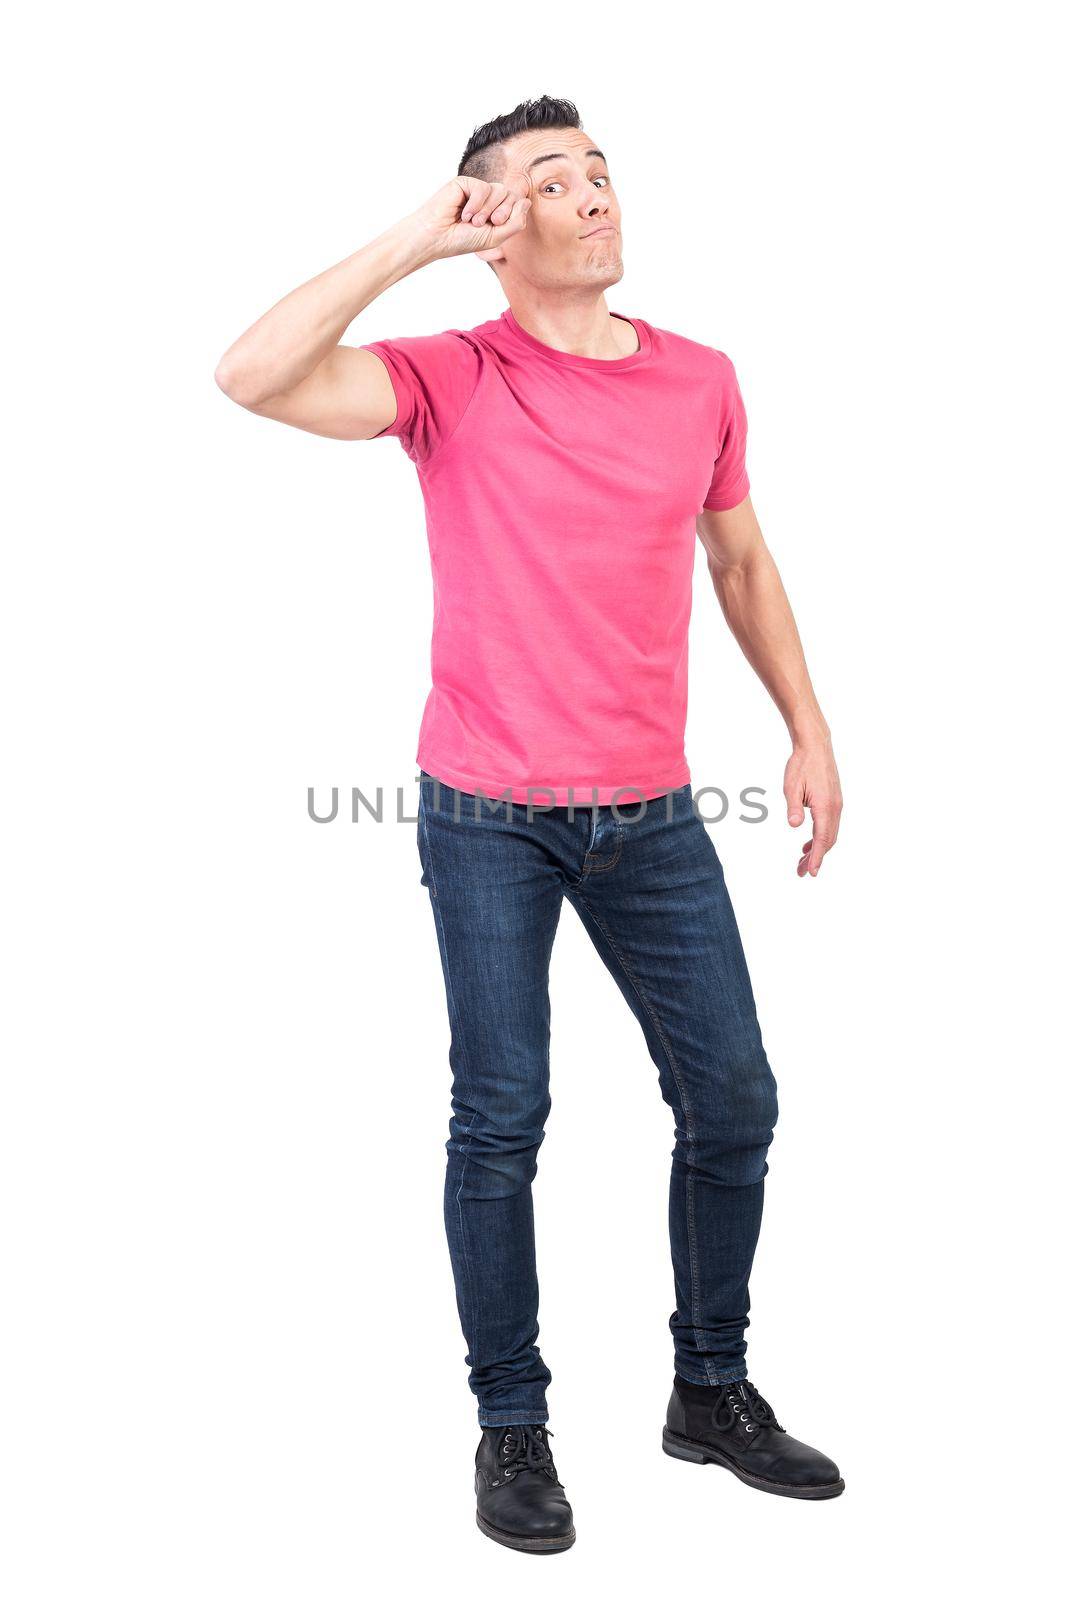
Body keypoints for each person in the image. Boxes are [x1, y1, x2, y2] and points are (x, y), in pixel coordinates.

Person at [215, 94, 845, 1554]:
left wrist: (808, 728)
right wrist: (410, 243)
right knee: (502, 1120)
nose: (596, 194)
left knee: (736, 1099)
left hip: (655, 814)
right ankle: (512, 1426)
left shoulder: (701, 379)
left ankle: (711, 1388)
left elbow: (740, 563)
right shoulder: (455, 373)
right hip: (488, 812)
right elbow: (247, 375)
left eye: (604, 170)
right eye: (555, 179)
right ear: (497, 223)